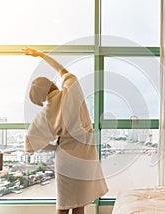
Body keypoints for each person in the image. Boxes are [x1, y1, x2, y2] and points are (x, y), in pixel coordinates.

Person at [23, 48, 108, 214]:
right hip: (85, 157)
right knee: (79, 205)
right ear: (52, 84)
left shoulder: (45, 113)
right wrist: (42, 55)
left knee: (63, 206)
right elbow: (63, 71)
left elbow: (29, 143)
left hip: (65, 159)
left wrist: (55, 147)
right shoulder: (72, 91)